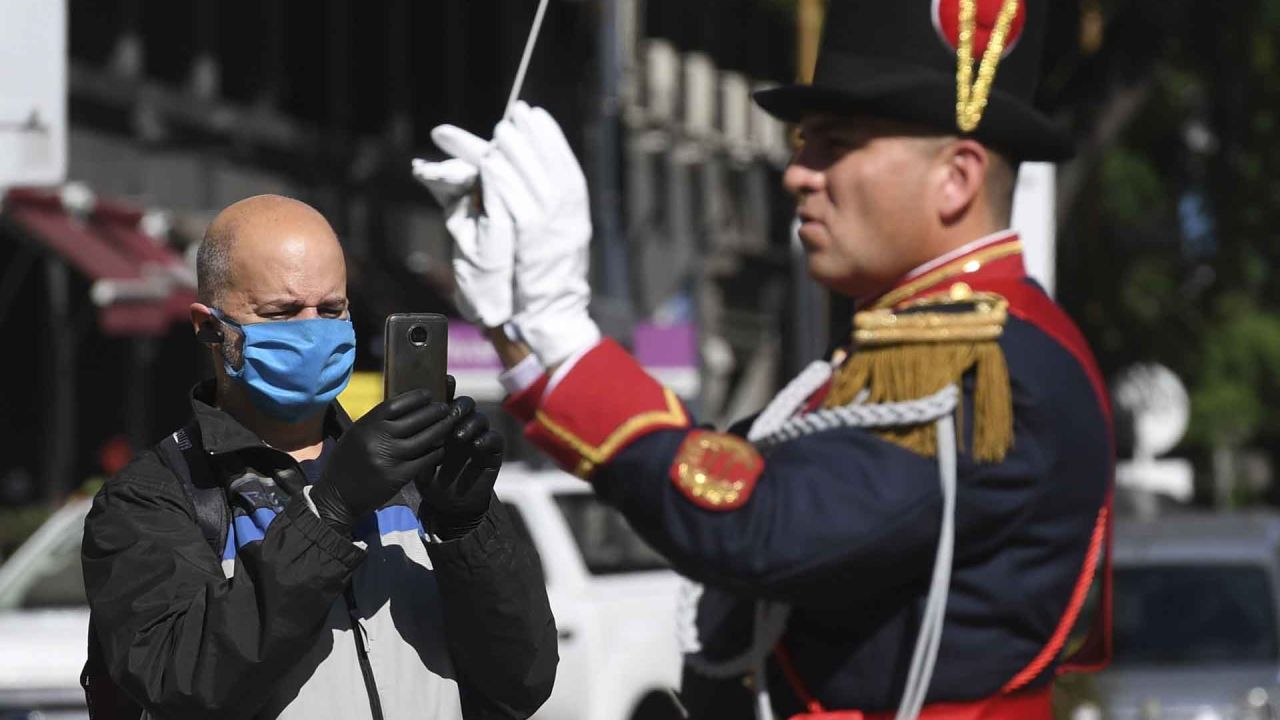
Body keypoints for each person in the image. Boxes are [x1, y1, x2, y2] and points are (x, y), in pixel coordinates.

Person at [416, 0, 1112, 718]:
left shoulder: (984, 367)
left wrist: (563, 333)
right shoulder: (911, 349)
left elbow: (760, 523)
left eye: (834, 145)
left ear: (957, 178)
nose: (797, 174)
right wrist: (515, 327)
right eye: (804, 143)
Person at [81, 195, 557, 720]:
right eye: (282, 313)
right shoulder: (154, 496)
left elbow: (523, 682)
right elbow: (183, 682)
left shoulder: (412, 478)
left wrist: (466, 528)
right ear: (210, 328)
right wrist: (328, 513)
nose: (313, 331)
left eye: (332, 310)